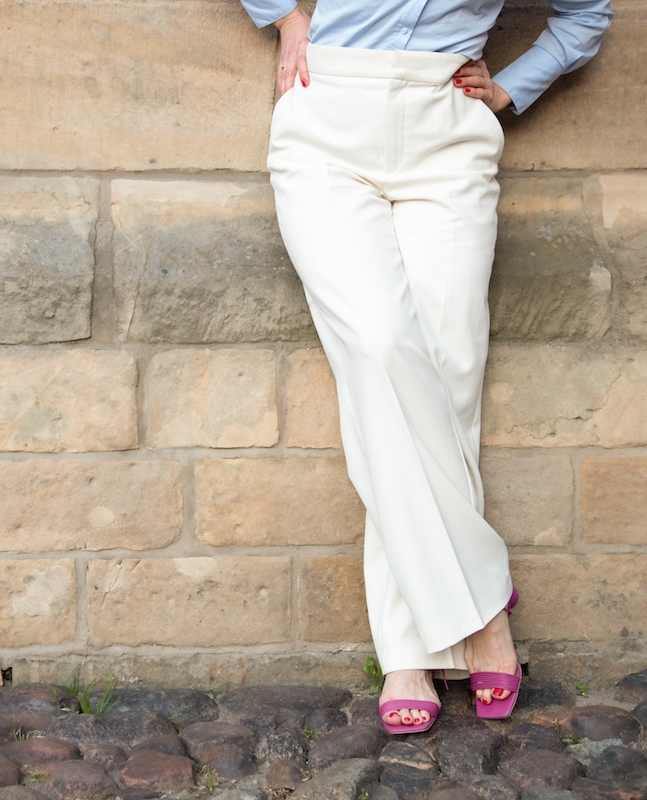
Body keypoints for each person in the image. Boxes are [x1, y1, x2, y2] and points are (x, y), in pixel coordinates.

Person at [238, 0, 612, 733]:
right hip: (327, 117)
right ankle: (484, 604)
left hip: (449, 130)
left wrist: (513, 85)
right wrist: (285, 16)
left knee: (447, 378)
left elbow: (585, 14)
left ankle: (409, 653)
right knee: (380, 349)